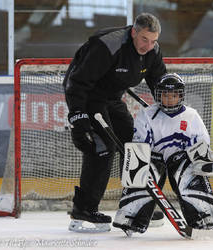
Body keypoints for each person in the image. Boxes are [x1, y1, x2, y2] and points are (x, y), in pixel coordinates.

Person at [63, 13, 167, 232]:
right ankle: (84, 209)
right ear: (133, 32)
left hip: (112, 97)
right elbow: (77, 82)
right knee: (102, 148)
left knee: (135, 145)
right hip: (88, 96)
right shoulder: (107, 45)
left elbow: (159, 83)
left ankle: (135, 204)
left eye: (153, 41)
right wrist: (78, 116)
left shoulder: (153, 51)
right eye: (144, 39)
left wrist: (170, 109)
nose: (148, 46)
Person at [112, 73, 213, 235]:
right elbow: (140, 148)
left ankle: (205, 217)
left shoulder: (191, 115)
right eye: (165, 95)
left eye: (174, 95)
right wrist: (138, 165)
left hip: (181, 159)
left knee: (189, 172)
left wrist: (206, 161)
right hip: (154, 159)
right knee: (141, 168)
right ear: (158, 95)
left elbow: (200, 146)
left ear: (181, 96)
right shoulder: (146, 114)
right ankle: (130, 217)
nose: (169, 99)